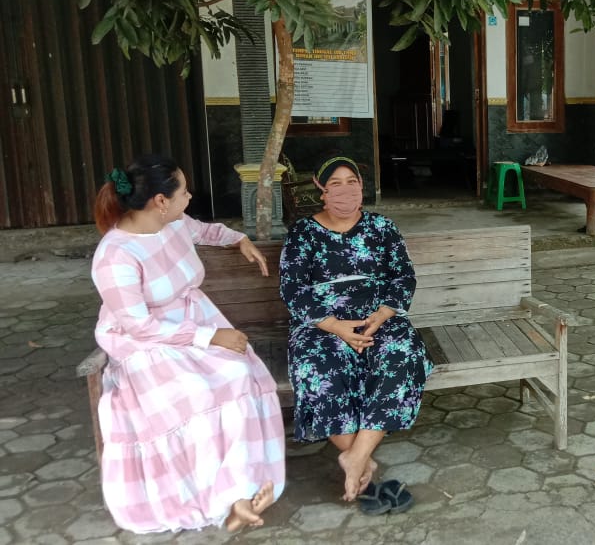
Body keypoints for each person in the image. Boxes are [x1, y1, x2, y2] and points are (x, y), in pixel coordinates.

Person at [90, 155, 285, 533]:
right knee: (197, 392)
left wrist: (240, 238)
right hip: (146, 345)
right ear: (161, 201)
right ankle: (222, 498)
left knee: (239, 373)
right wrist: (210, 336)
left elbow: (207, 232)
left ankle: (240, 489)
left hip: (193, 326)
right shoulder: (115, 256)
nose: (190, 196)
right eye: (183, 190)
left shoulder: (173, 224)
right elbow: (138, 326)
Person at [279, 155, 432, 514]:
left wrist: (382, 314)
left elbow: (403, 277)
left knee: (403, 354)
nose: (346, 190)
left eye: (353, 182)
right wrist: (334, 326)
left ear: (362, 187)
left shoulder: (383, 228)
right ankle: (364, 462)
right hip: (322, 323)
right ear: (321, 190)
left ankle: (356, 457)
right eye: (335, 183)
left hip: (378, 316)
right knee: (317, 368)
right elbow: (292, 289)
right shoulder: (303, 234)